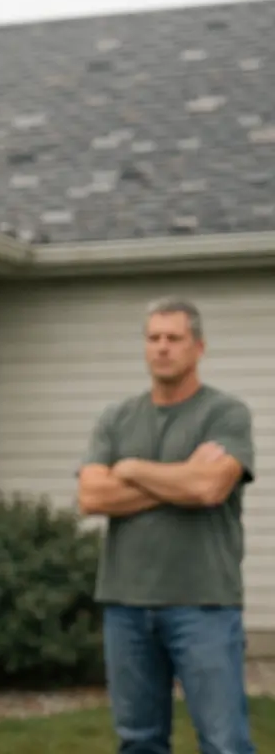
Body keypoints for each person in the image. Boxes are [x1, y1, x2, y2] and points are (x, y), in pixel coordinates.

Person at [77, 296, 256, 754]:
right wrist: (181, 475)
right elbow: (92, 496)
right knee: (138, 742)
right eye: (153, 338)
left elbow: (209, 490)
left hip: (205, 604)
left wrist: (132, 469)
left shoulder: (225, 414)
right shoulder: (117, 417)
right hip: (126, 604)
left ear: (198, 347)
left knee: (224, 742)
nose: (162, 347)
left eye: (174, 338)